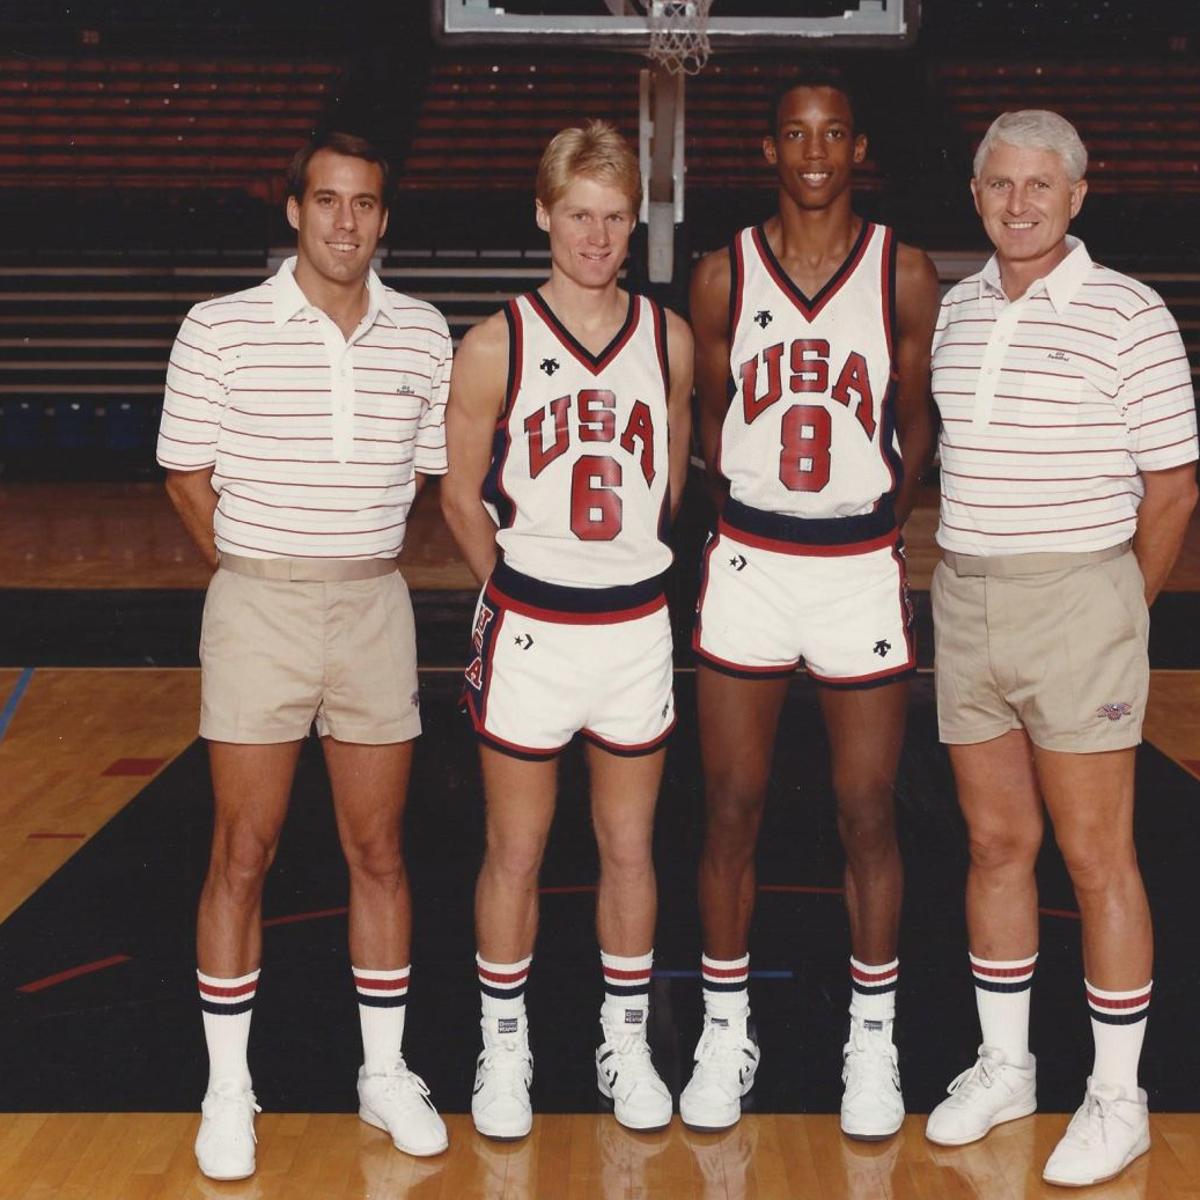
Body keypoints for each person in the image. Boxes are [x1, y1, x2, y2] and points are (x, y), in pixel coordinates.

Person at [156, 131, 451, 1180]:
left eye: (363, 204)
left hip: (373, 607)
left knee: (381, 852)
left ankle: (385, 1073)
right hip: (258, 607)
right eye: (326, 200)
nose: (344, 222)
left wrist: (346, 554)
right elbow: (185, 477)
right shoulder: (219, 327)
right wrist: (257, 573)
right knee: (244, 850)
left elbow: (425, 476)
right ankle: (227, 1089)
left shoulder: (423, 334)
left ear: (384, 218)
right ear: (294, 210)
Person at [923, 110, 1198, 1187]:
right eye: (1001, 184)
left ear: (1078, 196)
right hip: (967, 595)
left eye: (1042, 185)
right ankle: (1008, 1068)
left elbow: (1173, 488)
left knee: (1097, 856)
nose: (1020, 203)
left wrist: (1119, 605)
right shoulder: (957, 308)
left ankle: (1119, 1097)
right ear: (977, 194)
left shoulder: (1129, 312)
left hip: (1080, 596)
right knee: (996, 845)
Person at [684, 66, 940, 1139]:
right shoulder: (721, 275)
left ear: (859, 148)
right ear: (769, 150)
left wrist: (879, 514)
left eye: (834, 133)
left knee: (868, 809)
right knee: (730, 806)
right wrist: (754, 505)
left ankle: (872, 1044)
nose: (816, 151)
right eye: (796, 133)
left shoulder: (904, 271)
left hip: (856, 568)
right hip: (752, 562)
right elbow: (709, 421)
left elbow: (918, 421)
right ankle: (721, 1031)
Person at [441, 120, 693, 1139]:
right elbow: (458, 496)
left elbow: (669, 484)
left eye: (615, 217)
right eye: (579, 215)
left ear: (636, 223)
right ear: (543, 214)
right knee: (516, 848)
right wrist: (512, 588)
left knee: (630, 846)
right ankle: (504, 1050)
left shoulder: (668, 339)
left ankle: (624, 1041)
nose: (597, 236)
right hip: (533, 630)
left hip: (633, 628)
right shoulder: (495, 342)